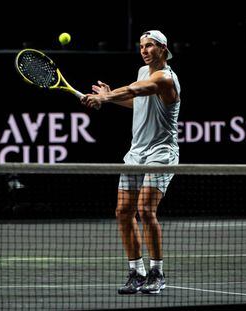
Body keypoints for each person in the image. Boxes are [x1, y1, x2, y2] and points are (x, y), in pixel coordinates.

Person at [81, 30, 181, 295]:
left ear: (163, 49)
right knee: (123, 212)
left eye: (150, 46)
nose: (144, 50)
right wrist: (111, 96)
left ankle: (157, 272)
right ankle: (137, 272)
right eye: (141, 46)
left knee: (146, 209)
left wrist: (106, 97)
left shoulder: (165, 78)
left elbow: (139, 90)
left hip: (161, 153)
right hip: (136, 153)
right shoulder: (141, 71)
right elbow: (136, 101)